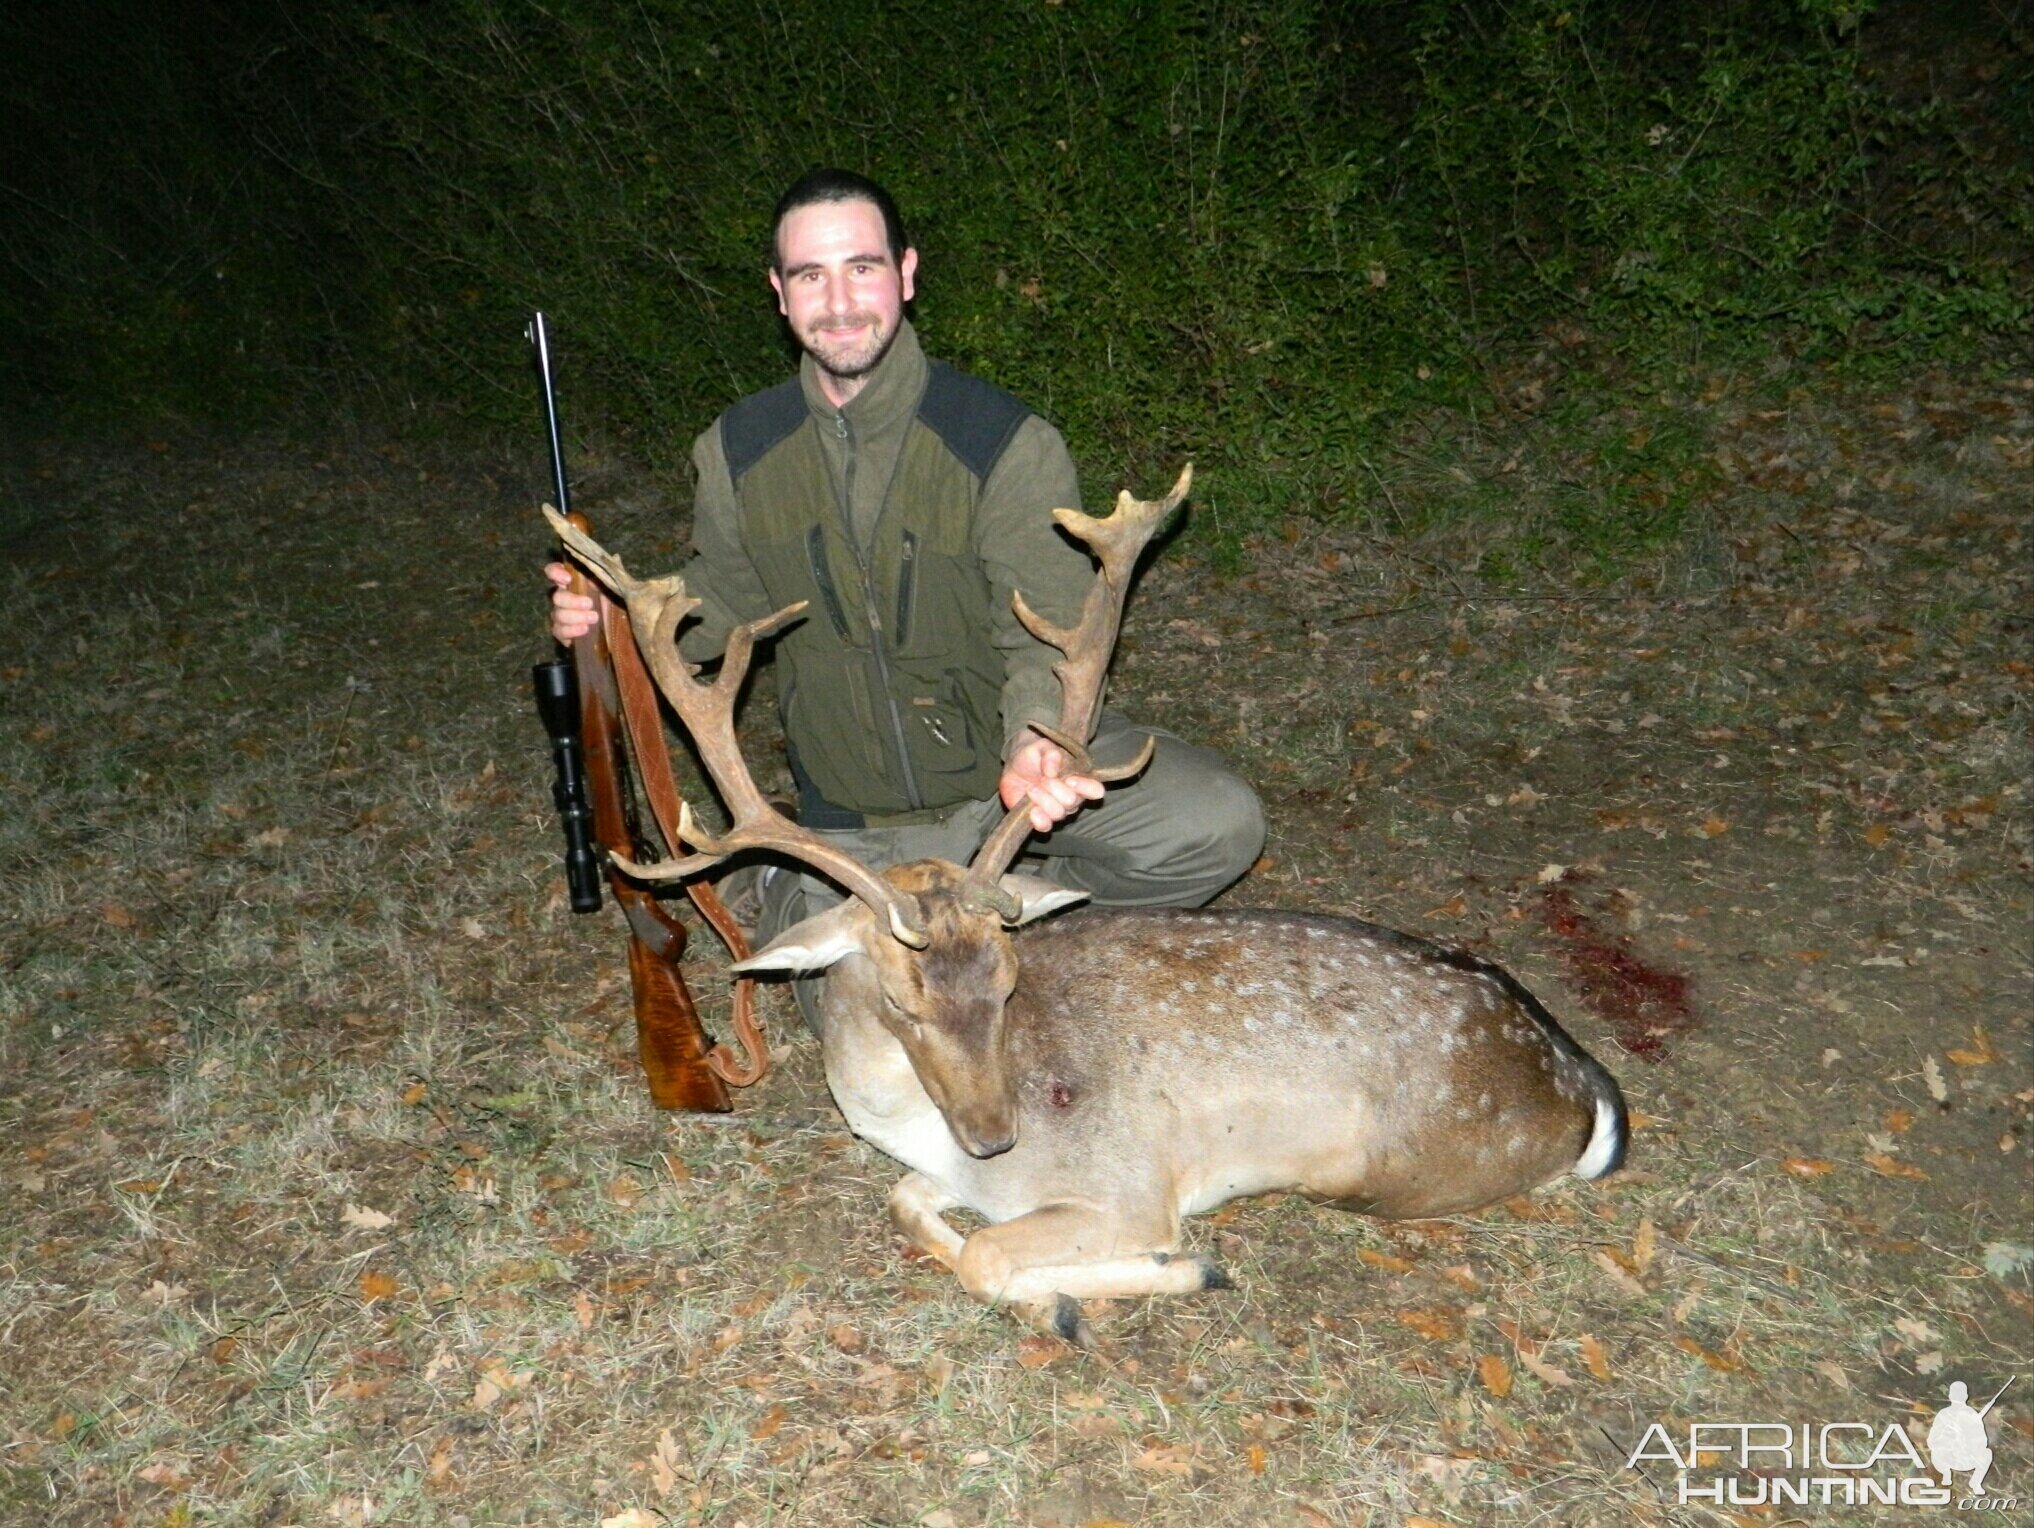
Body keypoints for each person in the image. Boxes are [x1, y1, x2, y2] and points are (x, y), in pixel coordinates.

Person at [547, 168, 1263, 1022]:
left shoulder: (999, 440)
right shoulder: (739, 449)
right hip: (851, 830)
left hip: (999, 805)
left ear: (907, 274)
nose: (840, 300)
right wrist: (619, 617)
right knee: (872, 1023)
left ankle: (1012, 923)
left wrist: (1038, 745)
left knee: (1215, 822)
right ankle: (875, 902)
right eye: (811, 275)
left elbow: (1045, 626)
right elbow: (719, 603)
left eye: (863, 267)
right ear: (779, 294)